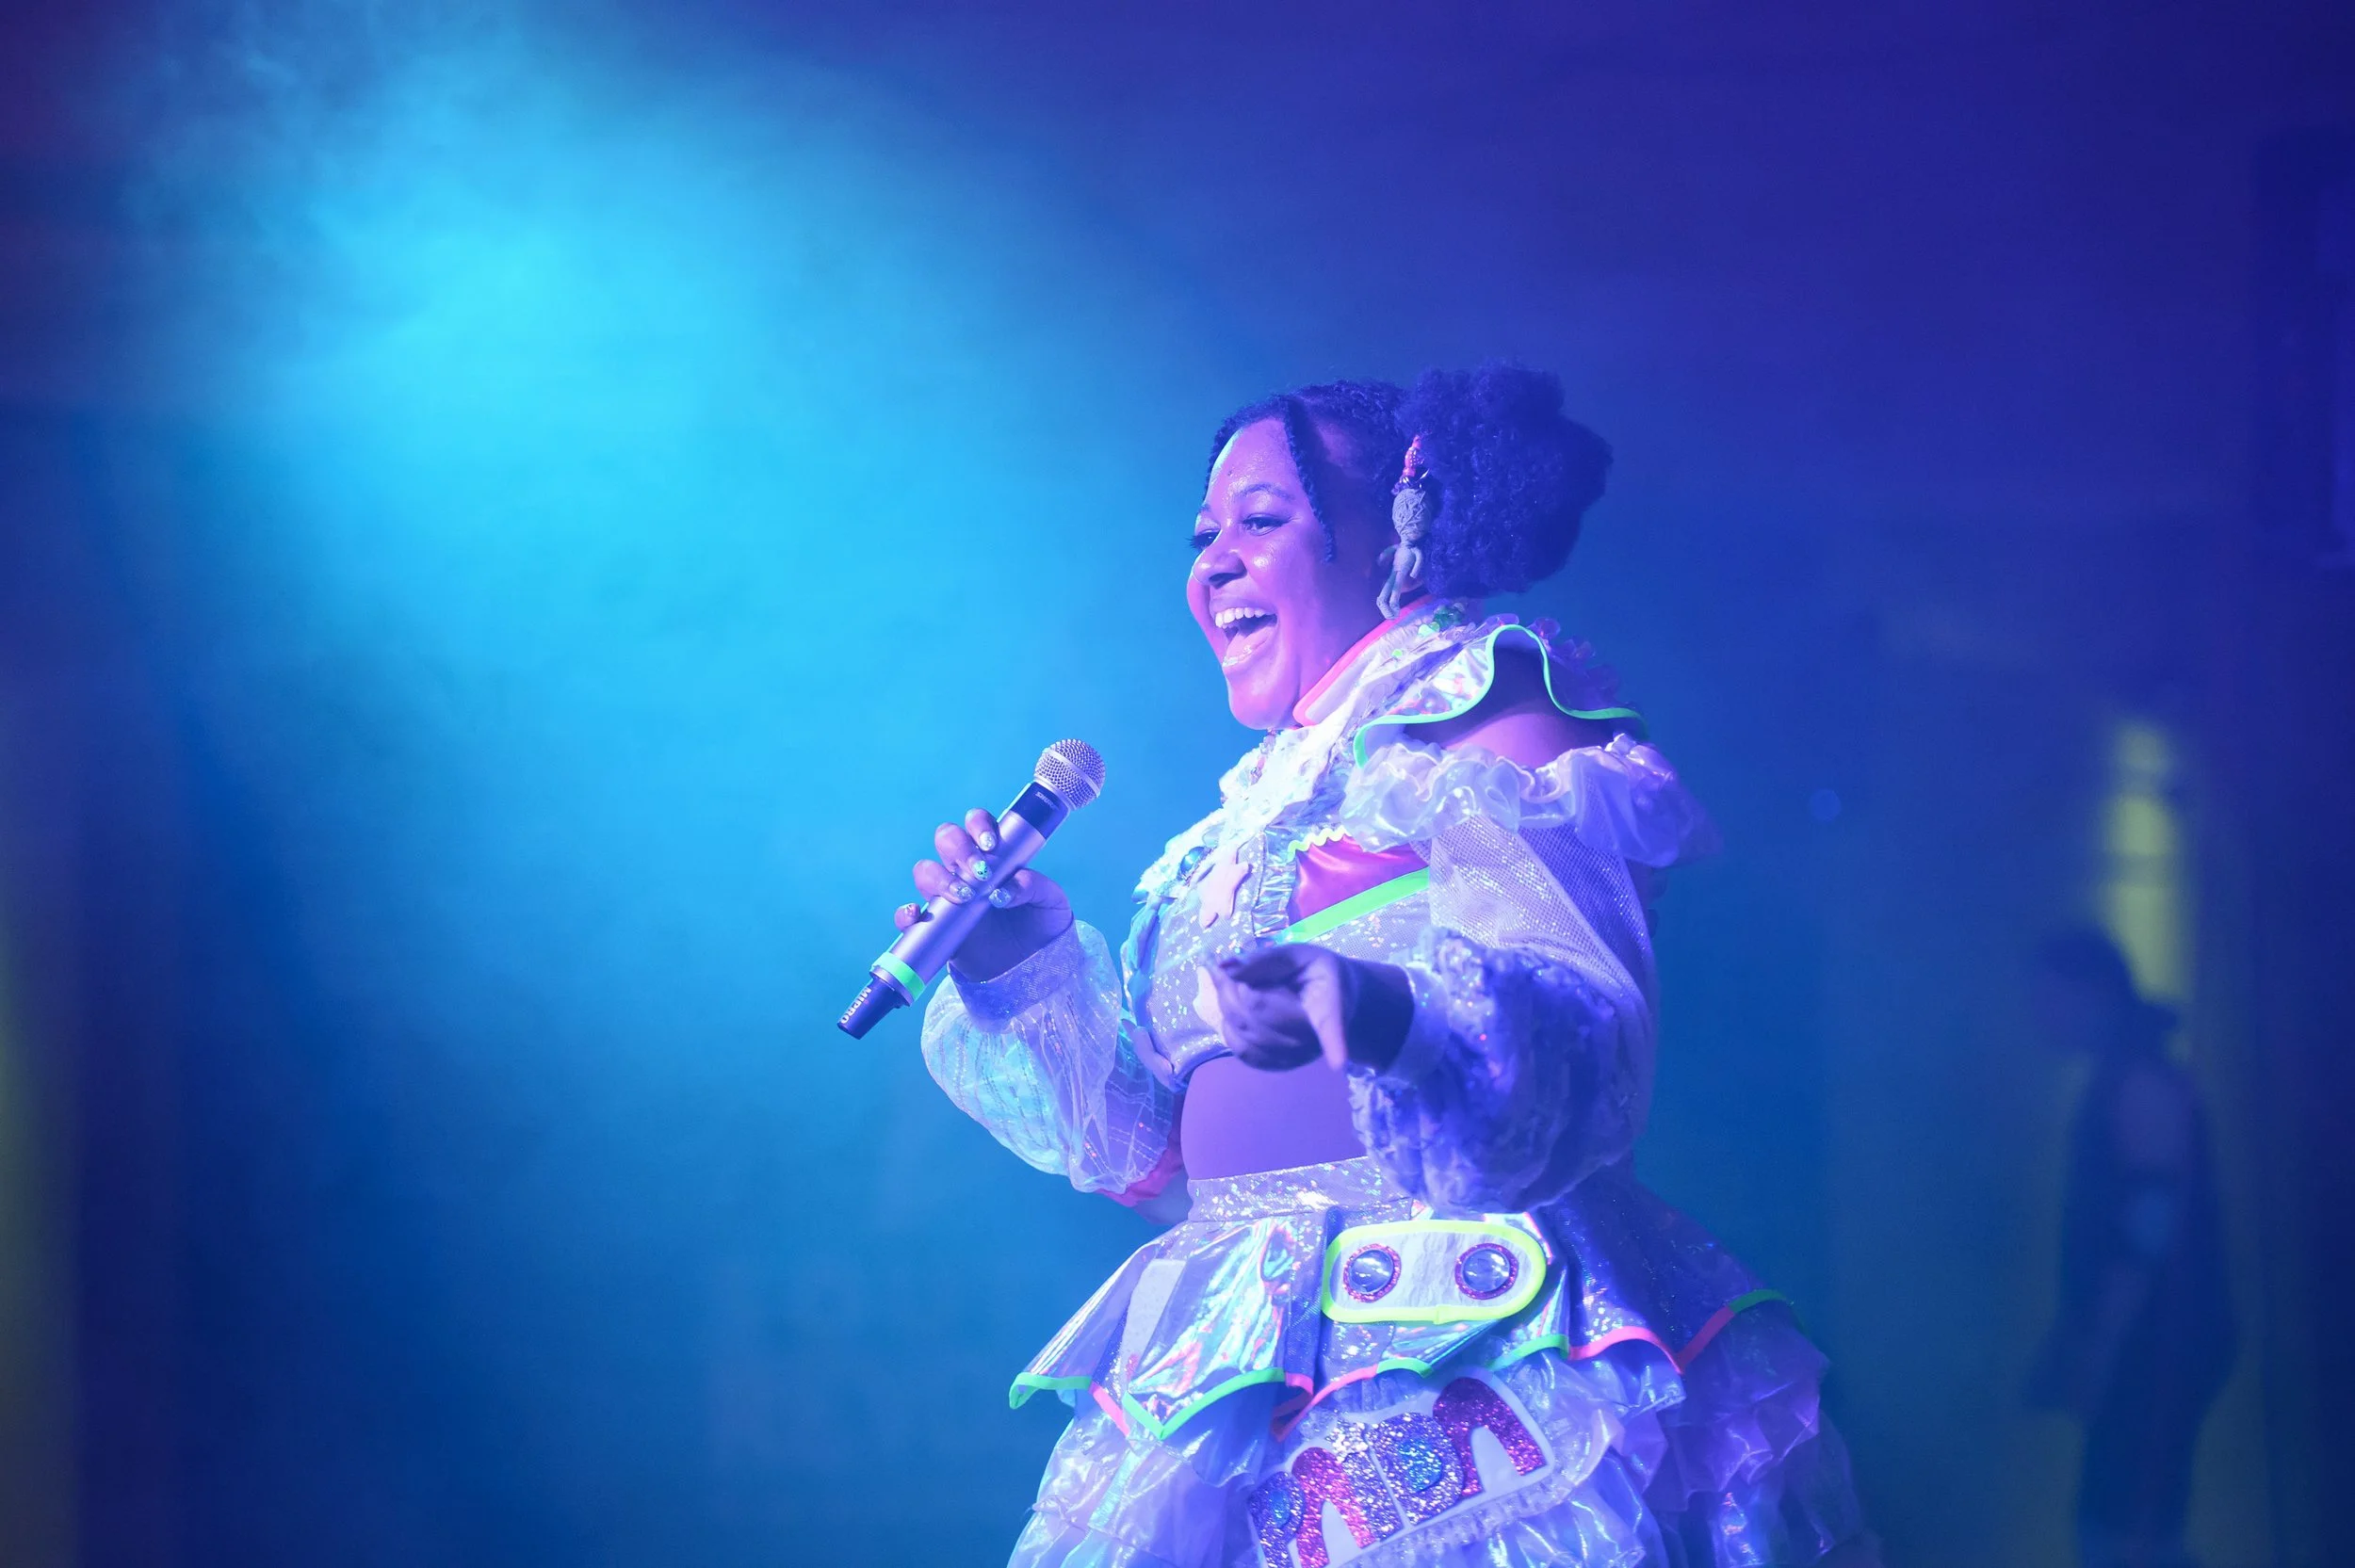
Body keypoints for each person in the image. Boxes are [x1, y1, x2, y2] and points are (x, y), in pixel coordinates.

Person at [904, 367, 1877, 1568]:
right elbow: (1153, 1161)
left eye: (1261, 521)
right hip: (1234, 1352)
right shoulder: (1223, 834)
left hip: (1463, 1343)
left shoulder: (1487, 708)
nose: (1212, 564)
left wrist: (1377, 1014)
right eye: (1203, 534)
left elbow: (1585, 1047)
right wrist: (1028, 966)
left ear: (1399, 527)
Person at [2026, 930, 2233, 1568]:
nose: (2039, 1014)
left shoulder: (2140, 1084)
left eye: (2048, 996)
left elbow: (2147, 1236)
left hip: (2156, 1348)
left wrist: (2101, 1348)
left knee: (2128, 1529)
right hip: (2148, 1348)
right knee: (2127, 1523)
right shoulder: (2128, 1078)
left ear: (2094, 991)